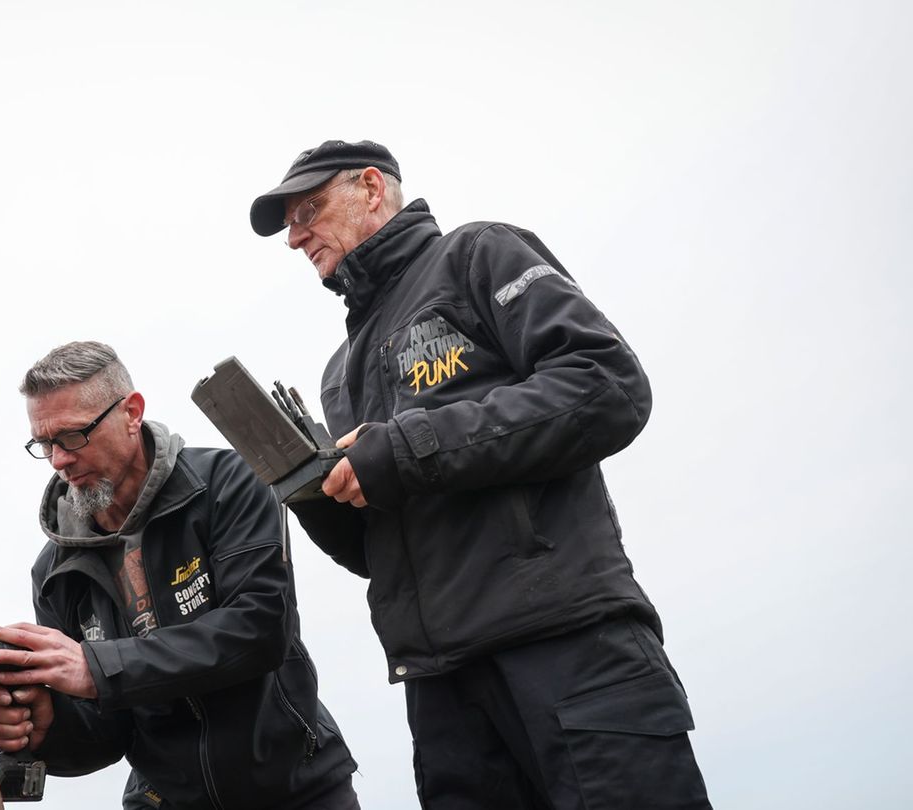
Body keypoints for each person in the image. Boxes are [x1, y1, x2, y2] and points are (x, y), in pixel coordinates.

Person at [248, 140, 711, 808]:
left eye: (309, 210)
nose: (296, 237)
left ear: (371, 188)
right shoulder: (339, 372)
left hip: (570, 655)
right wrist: (314, 494)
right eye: (289, 224)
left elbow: (609, 387)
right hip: (443, 699)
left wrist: (405, 446)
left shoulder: (476, 256)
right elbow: (378, 550)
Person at [0, 341, 360, 810]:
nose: (58, 460)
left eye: (73, 436)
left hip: (298, 791)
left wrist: (97, 668)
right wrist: (48, 727)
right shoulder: (54, 571)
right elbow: (106, 734)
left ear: (132, 412)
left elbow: (259, 630)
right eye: (45, 444)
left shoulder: (227, 483)